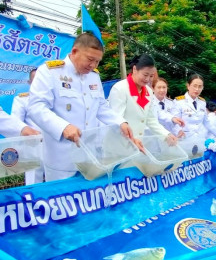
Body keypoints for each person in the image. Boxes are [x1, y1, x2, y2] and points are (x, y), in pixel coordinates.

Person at [28, 33, 135, 181]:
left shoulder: (94, 76)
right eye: (90, 59)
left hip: (90, 157)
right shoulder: (50, 72)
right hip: (62, 158)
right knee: (62, 199)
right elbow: (36, 107)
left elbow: (101, 107)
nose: (93, 65)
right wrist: (63, 127)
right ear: (74, 52)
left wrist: (120, 122)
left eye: (97, 62)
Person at [108, 54, 177, 143]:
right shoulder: (120, 89)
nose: (148, 79)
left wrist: (166, 135)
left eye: (151, 76)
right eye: (145, 75)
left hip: (137, 145)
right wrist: (132, 140)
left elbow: (150, 119)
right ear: (134, 69)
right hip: (118, 146)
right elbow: (116, 122)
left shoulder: (148, 92)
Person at [172, 74, 216, 140]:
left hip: (200, 139)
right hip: (184, 138)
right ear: (188, 86)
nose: (197, 89)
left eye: (200, 87)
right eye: (194, 86)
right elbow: (174, 122)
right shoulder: (178, 102)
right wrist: (178, 131)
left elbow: (206, 122)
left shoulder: (202, 102)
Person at [11, 68, 44, 184]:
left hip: (54, 144)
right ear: (29, 83)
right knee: (34, 181)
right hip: (33, 146)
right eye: (35, 81)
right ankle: (32, 202)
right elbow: (16, 122)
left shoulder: (54, 98)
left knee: (58, 179)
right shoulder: (22, 100)